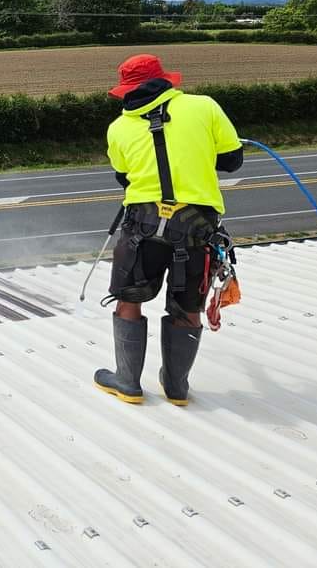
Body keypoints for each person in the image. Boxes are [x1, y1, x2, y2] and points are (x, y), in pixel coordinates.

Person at [95, 54, 243, 405]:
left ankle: (128, 382)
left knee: (129, 299)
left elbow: (123, 175)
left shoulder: (118, 128)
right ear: (165, 81)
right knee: (187, 304)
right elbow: (233, 160)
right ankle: (176, 387)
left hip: (142, 228)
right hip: (196, 229)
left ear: (127, 91)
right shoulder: (204, 107)